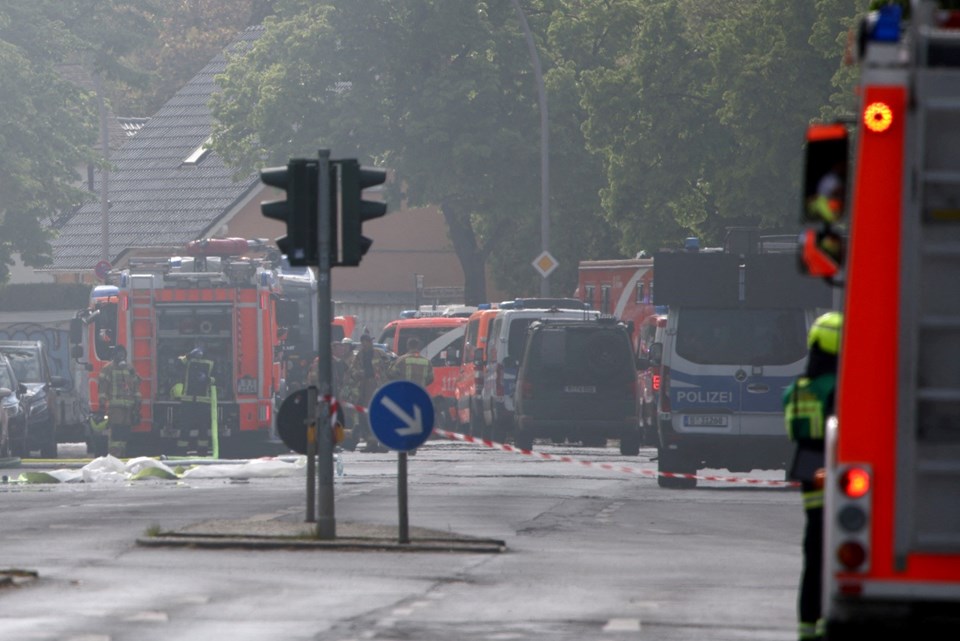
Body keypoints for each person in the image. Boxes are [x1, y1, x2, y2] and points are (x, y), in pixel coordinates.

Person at [783, 311, 842, 641]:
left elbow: (794, 427)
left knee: (814, 552)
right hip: (842, 467)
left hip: (809, 469)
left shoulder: (799, 389)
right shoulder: (845, 387)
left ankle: (808, 627)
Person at [342, 333, 389, 452]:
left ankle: (383, 443)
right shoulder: (359, 356)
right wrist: (358, 374)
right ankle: (371, 442)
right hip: (363, 386)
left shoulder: (380, 354)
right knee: (364, 415)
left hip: (378, 386)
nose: (365, 344)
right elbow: (352, 371)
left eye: (367, 341)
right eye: (363, 342)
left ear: (371, 342)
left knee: (379, 414)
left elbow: (389, 368)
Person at [95, 345, 141, 457]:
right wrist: (102, 403)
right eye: (119, 354)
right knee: (116, 432)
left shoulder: (129, 369)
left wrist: (138, 402)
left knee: (125, 433)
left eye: (123, 354)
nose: (121, 356)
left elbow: (135, 387)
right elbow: (102, 387)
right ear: (114, 355)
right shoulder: (108, 368)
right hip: (115, 407)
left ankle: (123, 455)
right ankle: (114, 455)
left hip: (129, 407)